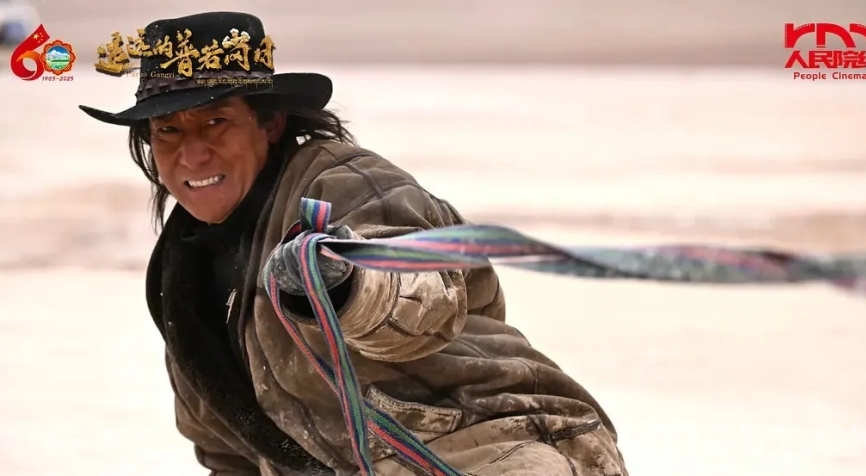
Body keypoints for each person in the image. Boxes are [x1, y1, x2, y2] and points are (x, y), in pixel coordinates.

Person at [80, 11, 628, 476]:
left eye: (216, 121)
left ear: (269, 124)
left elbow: (427, 298)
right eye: (168, 131)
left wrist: (346, 283)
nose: (192, 154)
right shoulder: (184, 277)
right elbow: (229, 451)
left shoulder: (350, 187)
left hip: (502, 448)